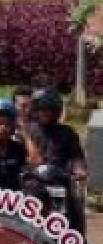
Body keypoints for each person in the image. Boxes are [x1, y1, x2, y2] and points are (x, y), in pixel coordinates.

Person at [28, 91, 88, 234]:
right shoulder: (29, 130)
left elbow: (76, 156)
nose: (46, 114)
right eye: (43, 110)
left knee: (76, 202)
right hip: (33, 181)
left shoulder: (68, 133)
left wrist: (80, 170)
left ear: (57, 112)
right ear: (36, 110)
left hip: (60, 180)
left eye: (50, 110)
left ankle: (77, 235)